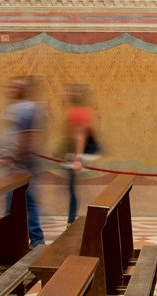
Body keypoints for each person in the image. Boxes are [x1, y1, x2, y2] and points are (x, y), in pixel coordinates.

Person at [3, 76, 47, 247]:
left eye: (16, 87)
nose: (11, 90)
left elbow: (26, 136)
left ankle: (12, 239)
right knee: (27, 200)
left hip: (21, 163)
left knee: (15, 200)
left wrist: (13, 157)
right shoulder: (31, 107)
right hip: (26, 161)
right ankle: (32, 238)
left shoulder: (23, 109)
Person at [62, 83, 98, 225]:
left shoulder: (76, 112)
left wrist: (77, 158)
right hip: (74, 154)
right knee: (72, 188)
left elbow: (80, 135)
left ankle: (71, 219)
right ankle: (71, 218)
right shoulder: (84, 111)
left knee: (72, 188)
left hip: (75, 155)